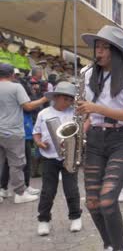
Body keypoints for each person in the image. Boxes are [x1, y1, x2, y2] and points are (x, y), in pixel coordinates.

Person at [77, 25, 123, 251]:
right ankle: (109, 245)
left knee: (107, 200)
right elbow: (88, 113)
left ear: (116, 52)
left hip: (122, 139)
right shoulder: (86, 74)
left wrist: (97, 108)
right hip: (95, 138)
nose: (99, 51)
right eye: (98, 46)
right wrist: (80, 130)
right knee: (92, 203)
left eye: (105, 47)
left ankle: (121, 248)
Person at [33, 81, 82, 236]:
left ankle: (75, 217)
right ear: (56, 97)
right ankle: (43, 220)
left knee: (71, 189)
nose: (68, 102)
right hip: (49, 158)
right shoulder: (43, 113)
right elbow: (36, 132)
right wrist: (39, 143)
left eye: (70, 99)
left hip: (70, 156)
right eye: (66, 98)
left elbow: (83, 128)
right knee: (48, 191)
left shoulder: (74, 113)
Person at [0, 63, 49, 204]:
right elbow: (27, 106)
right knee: (17, 164)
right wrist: (44, 99)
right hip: (13, 131)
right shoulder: (16, 87)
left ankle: (2, 190)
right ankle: (20, 193)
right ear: (12, 75)